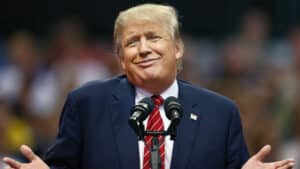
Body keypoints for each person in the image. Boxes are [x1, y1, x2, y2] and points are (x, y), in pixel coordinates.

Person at [2, 3, 295, 169]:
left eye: (154, 37)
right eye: (132, 42)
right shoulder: (87, 104)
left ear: (178, 48)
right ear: (120, 58)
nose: (143, 49)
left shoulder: (220, 111)